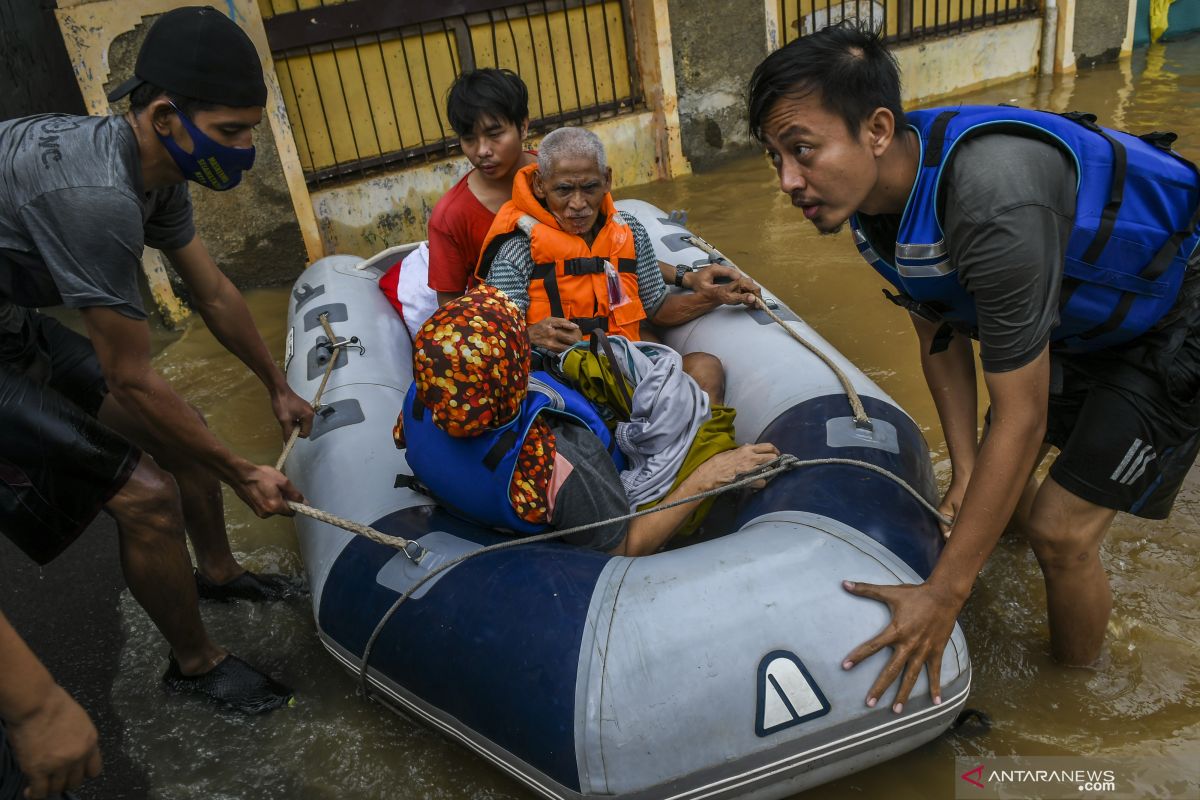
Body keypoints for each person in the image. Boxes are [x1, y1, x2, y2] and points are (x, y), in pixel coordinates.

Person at [747, 23, 1200, 714]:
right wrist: (962, 471)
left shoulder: (993, 200)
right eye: (775, 156)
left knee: (1059, 529)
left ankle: (1074, 701)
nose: (787, 181)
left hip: (1177, 313)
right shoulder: (877, 202)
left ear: (875, 128)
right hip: (1080, 316)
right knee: (1000, 497)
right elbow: (941, 330)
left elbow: (1022, 415)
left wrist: (942, 595)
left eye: (803, 150)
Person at [0, 8, 308, 775]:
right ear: (166, 116)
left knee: (189, 425)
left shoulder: (158, 176)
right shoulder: (98, 199)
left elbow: (213, 291)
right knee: (145, 490)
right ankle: (195, 662)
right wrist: (243, 472)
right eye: (233, 132)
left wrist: (275, 386)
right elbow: (129, 378)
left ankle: (219, 574)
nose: (246, 150)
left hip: (6, 316)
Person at [395, 286, 780, 555]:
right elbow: (626, 547)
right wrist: (711, 474)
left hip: (491, 496)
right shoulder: (561, 459)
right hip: (594, 501)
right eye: (518, 341)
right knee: (705, 372)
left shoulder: (424, 395)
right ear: (510, 371)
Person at [477, 125, 762, 398]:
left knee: (706, 369)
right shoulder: (517, 251)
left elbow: (658, 308)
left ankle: (705, 446)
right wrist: (528, 334)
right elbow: (489, 339)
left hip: (626, 364)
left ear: (607, 179)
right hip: (563, 378)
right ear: (540, 185)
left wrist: (716, 297)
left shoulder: (630, 232)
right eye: (564, 190)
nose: (578, 204)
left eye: (589, 187)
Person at [378, 67, 537, 324]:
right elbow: (454, 314)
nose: (482, 150)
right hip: (506, 330)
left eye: (495, 134)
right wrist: (526, 335)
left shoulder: (559, 175)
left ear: (523, 126)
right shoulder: (450, 217)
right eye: (469, 138)